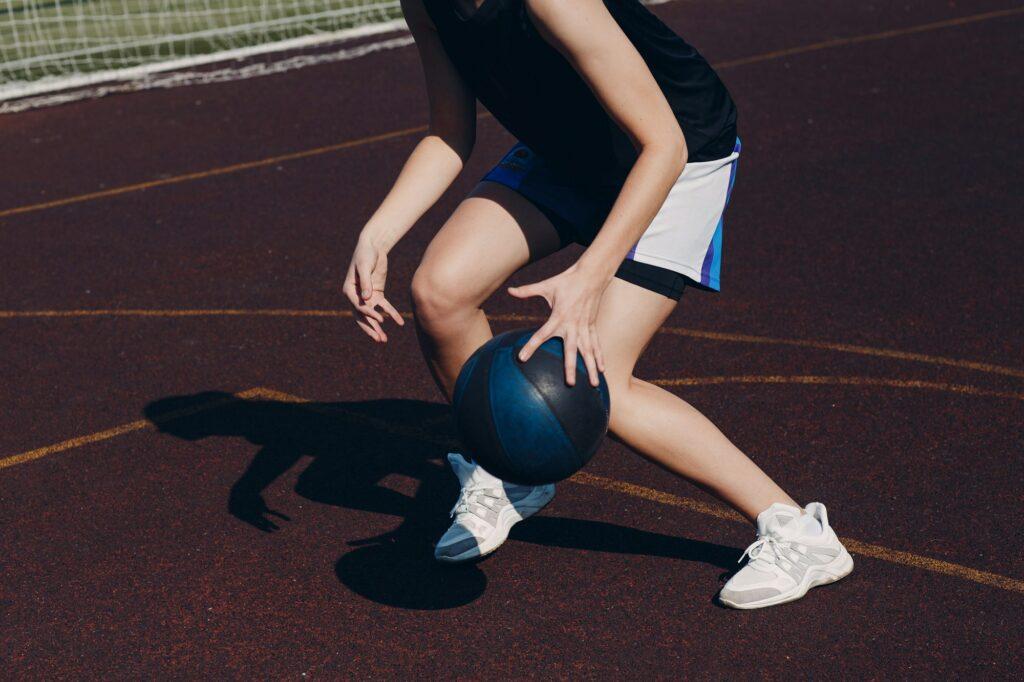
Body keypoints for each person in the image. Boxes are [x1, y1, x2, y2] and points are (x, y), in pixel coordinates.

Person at [342, 0, 853, 609]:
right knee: (439, 293)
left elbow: (662, 144)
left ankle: (799, 532)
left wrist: (589, 274)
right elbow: (450, 129)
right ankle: (511, 470)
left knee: (598, 375)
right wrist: (377, 232)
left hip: (678, 151)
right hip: (572, 150)